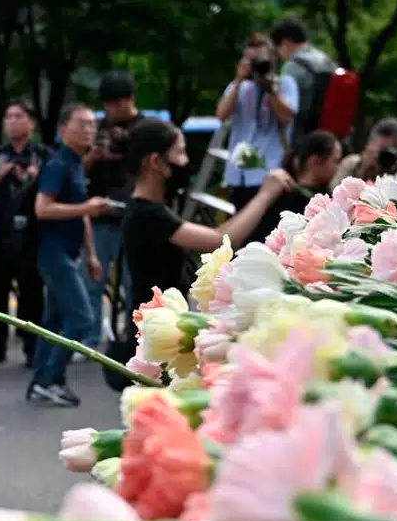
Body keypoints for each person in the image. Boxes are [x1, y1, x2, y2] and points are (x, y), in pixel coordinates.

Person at [122, 119, 295, 317]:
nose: (185, 161)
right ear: (155, 162)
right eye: (180, 152)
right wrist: (266, 194)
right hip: (152, 324)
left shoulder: (148, 208)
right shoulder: (148, 214)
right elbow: (219, 240)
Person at [28, 102, 112, 408]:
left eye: (92, 123)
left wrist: (91, 255)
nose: (89, 128)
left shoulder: (77, 163)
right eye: (82, 123)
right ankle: (48, 379)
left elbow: (82, 215)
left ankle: (42, 381)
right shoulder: (59, 165)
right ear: (64, 130)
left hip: (69, 252)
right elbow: (43, 208)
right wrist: (86, 208)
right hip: (52, 252)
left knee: (54, 321)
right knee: (82, 319)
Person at [0, 100, 49, 367]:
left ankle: (33, 349)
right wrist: (0, 176)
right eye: (8, 117)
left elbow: (53, 191)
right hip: (0, 232)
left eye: (18, 116)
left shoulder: (43, 154)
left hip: (32, 234)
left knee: (32, 294)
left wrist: (34, 176)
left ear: (31, 122)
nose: (12, 121)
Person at [83, 72, 149, 342]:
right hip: (100, 214)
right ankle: (90, 337)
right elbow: (80, 165)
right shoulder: (97, 128)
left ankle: (134, 337)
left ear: (130, 100)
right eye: (107, 104)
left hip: (133, 214)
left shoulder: (146, 129)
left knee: (133, 284)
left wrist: (123, 153)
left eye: (116, 103)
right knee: (92, 282)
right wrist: (95, 155)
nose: (110, 109)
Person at [217, 33, 299, 213]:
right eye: (251, 60)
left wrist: (271, 90)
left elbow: (286, 116)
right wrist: (238, 79)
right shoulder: (239, 87)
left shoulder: (285, 84)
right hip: (238, 175)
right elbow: (221, 115)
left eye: (261, 60)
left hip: (269, 174)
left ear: (273, 60)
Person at [246, 130, 344, 244]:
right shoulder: (276, 192)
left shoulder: (276, 191)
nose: (337, 168)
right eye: (335, 161)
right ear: (315, 161)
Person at [269, 17, 337, 144]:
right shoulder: (327, 60)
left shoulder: (292, 66)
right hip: (330, 137)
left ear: (285, 42)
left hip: (303, 138)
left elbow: (284, 110)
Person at [333, 117, 397, 189]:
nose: (386, 156)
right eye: (382, 149)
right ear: (369, 145)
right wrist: (362, 170)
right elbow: (334, 192)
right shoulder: (353, 163)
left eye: (392, 150)